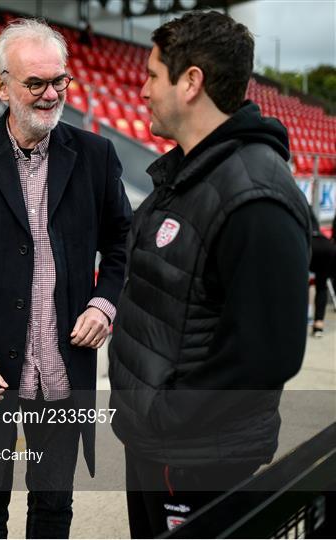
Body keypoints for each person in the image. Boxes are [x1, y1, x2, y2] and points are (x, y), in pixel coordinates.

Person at [0, 19, 132, 539]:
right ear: (2, 86)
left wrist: (105, 303)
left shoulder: (96, 156)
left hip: (61, 374)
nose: (51, 94)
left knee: (54, 510)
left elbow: (125, 244)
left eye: (60, 81)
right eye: (36, 84)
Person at [108, 10, 311, 538]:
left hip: (194, 456)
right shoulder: (189, 172)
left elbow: (267, 355)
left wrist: (164, 415)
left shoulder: (252, 193)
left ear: (191, 81)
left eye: (153, 75)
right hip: (158, 446)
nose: (143, 90)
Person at [309, 206, 336, 337]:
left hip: (310, 245)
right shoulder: (306, 208)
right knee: (321, 286)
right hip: (326, 245)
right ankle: (318, 325)